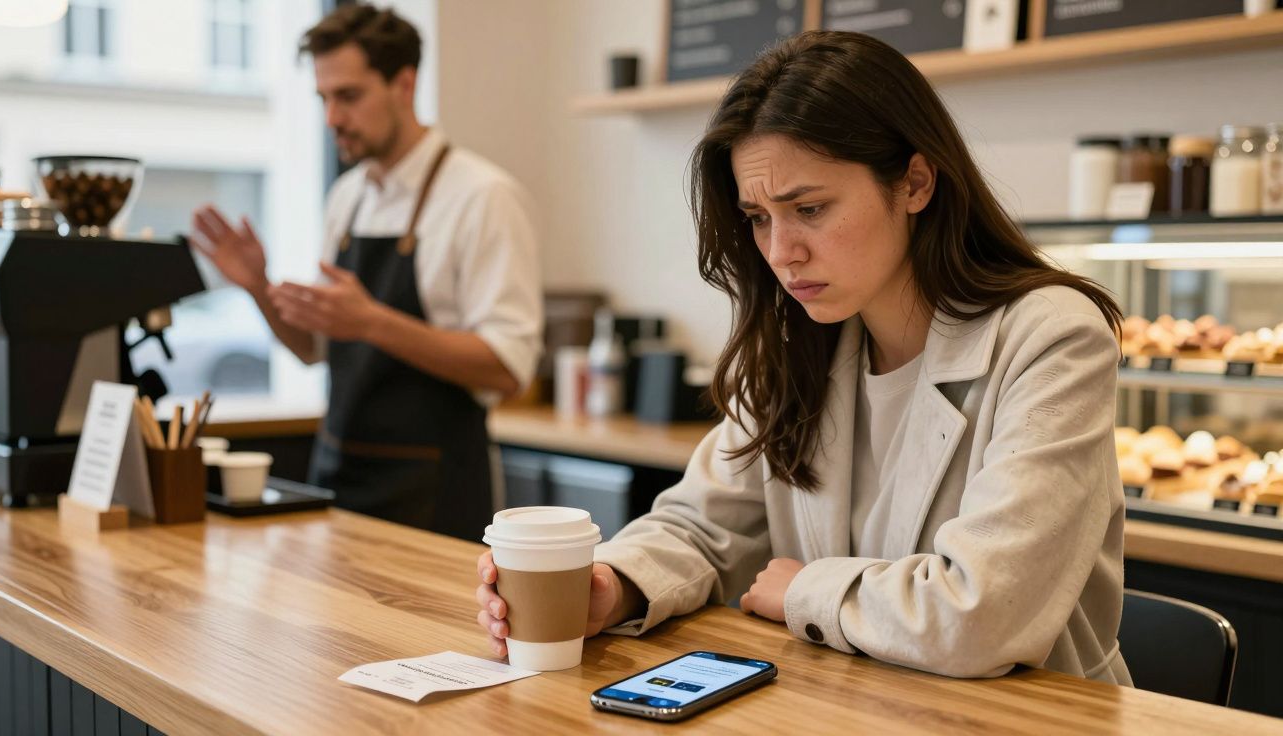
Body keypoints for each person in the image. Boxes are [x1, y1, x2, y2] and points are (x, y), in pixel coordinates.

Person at [476, 31, 1131, 683]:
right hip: (852, 705)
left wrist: (804, 591)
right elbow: (702, 526)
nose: (781, 251)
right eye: (758, 218)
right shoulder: (797, 339)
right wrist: (613, 584)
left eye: (809, 208)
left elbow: (983, 613)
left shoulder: (1052, 336)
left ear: (916, 182)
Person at [190, 4, 541, 541]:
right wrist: (257, 287)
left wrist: (374, 321)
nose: (331, 118)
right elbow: (314, 349)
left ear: (404, 83)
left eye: (348, 96)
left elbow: (507, 368)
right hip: (338, 482)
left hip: (435, 494)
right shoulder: (347, 198)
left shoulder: (481, 197)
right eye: (324, 99)